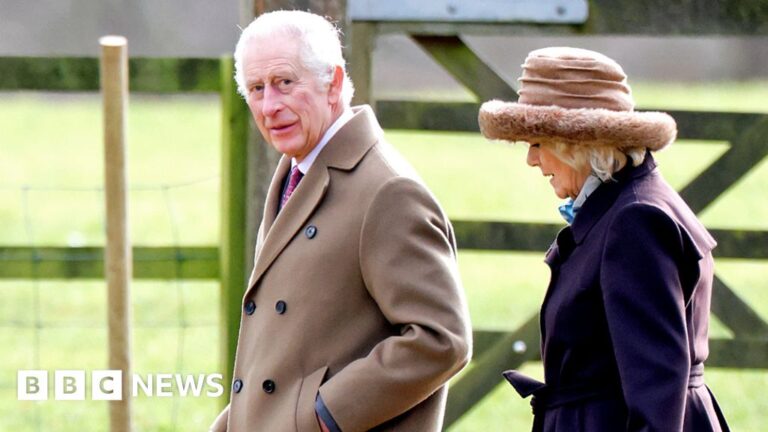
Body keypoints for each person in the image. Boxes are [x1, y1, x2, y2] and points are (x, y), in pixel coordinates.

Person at [209, 10, 472, 432]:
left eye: (284, 83)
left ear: (332, 82)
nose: (270, 105)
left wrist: (323, 416)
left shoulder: (388, 191)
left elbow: (442, 340)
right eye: (256, 89)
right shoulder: (294, 175)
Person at [478, 47, 730, 431]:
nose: (531, 160)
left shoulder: (635, 221)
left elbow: (657, 397)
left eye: (537, 143)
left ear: (575, 142)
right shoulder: (623, 207)